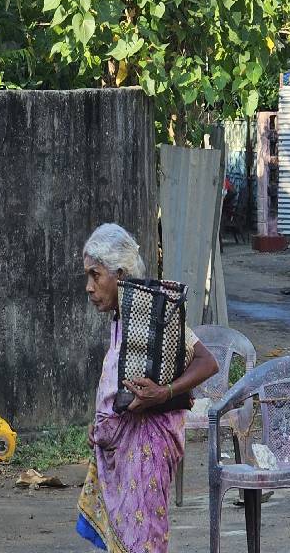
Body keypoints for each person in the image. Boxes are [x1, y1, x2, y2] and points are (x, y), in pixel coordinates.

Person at [76, 223, 219, 553]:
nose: (89, 286)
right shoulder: (119, 317)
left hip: (147, 445)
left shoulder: (155, 312)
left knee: (144, 541)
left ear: (121, 275)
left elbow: (206, 361)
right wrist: (100, 425)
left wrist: (164, 392)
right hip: (117, 445)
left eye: (95, 275)